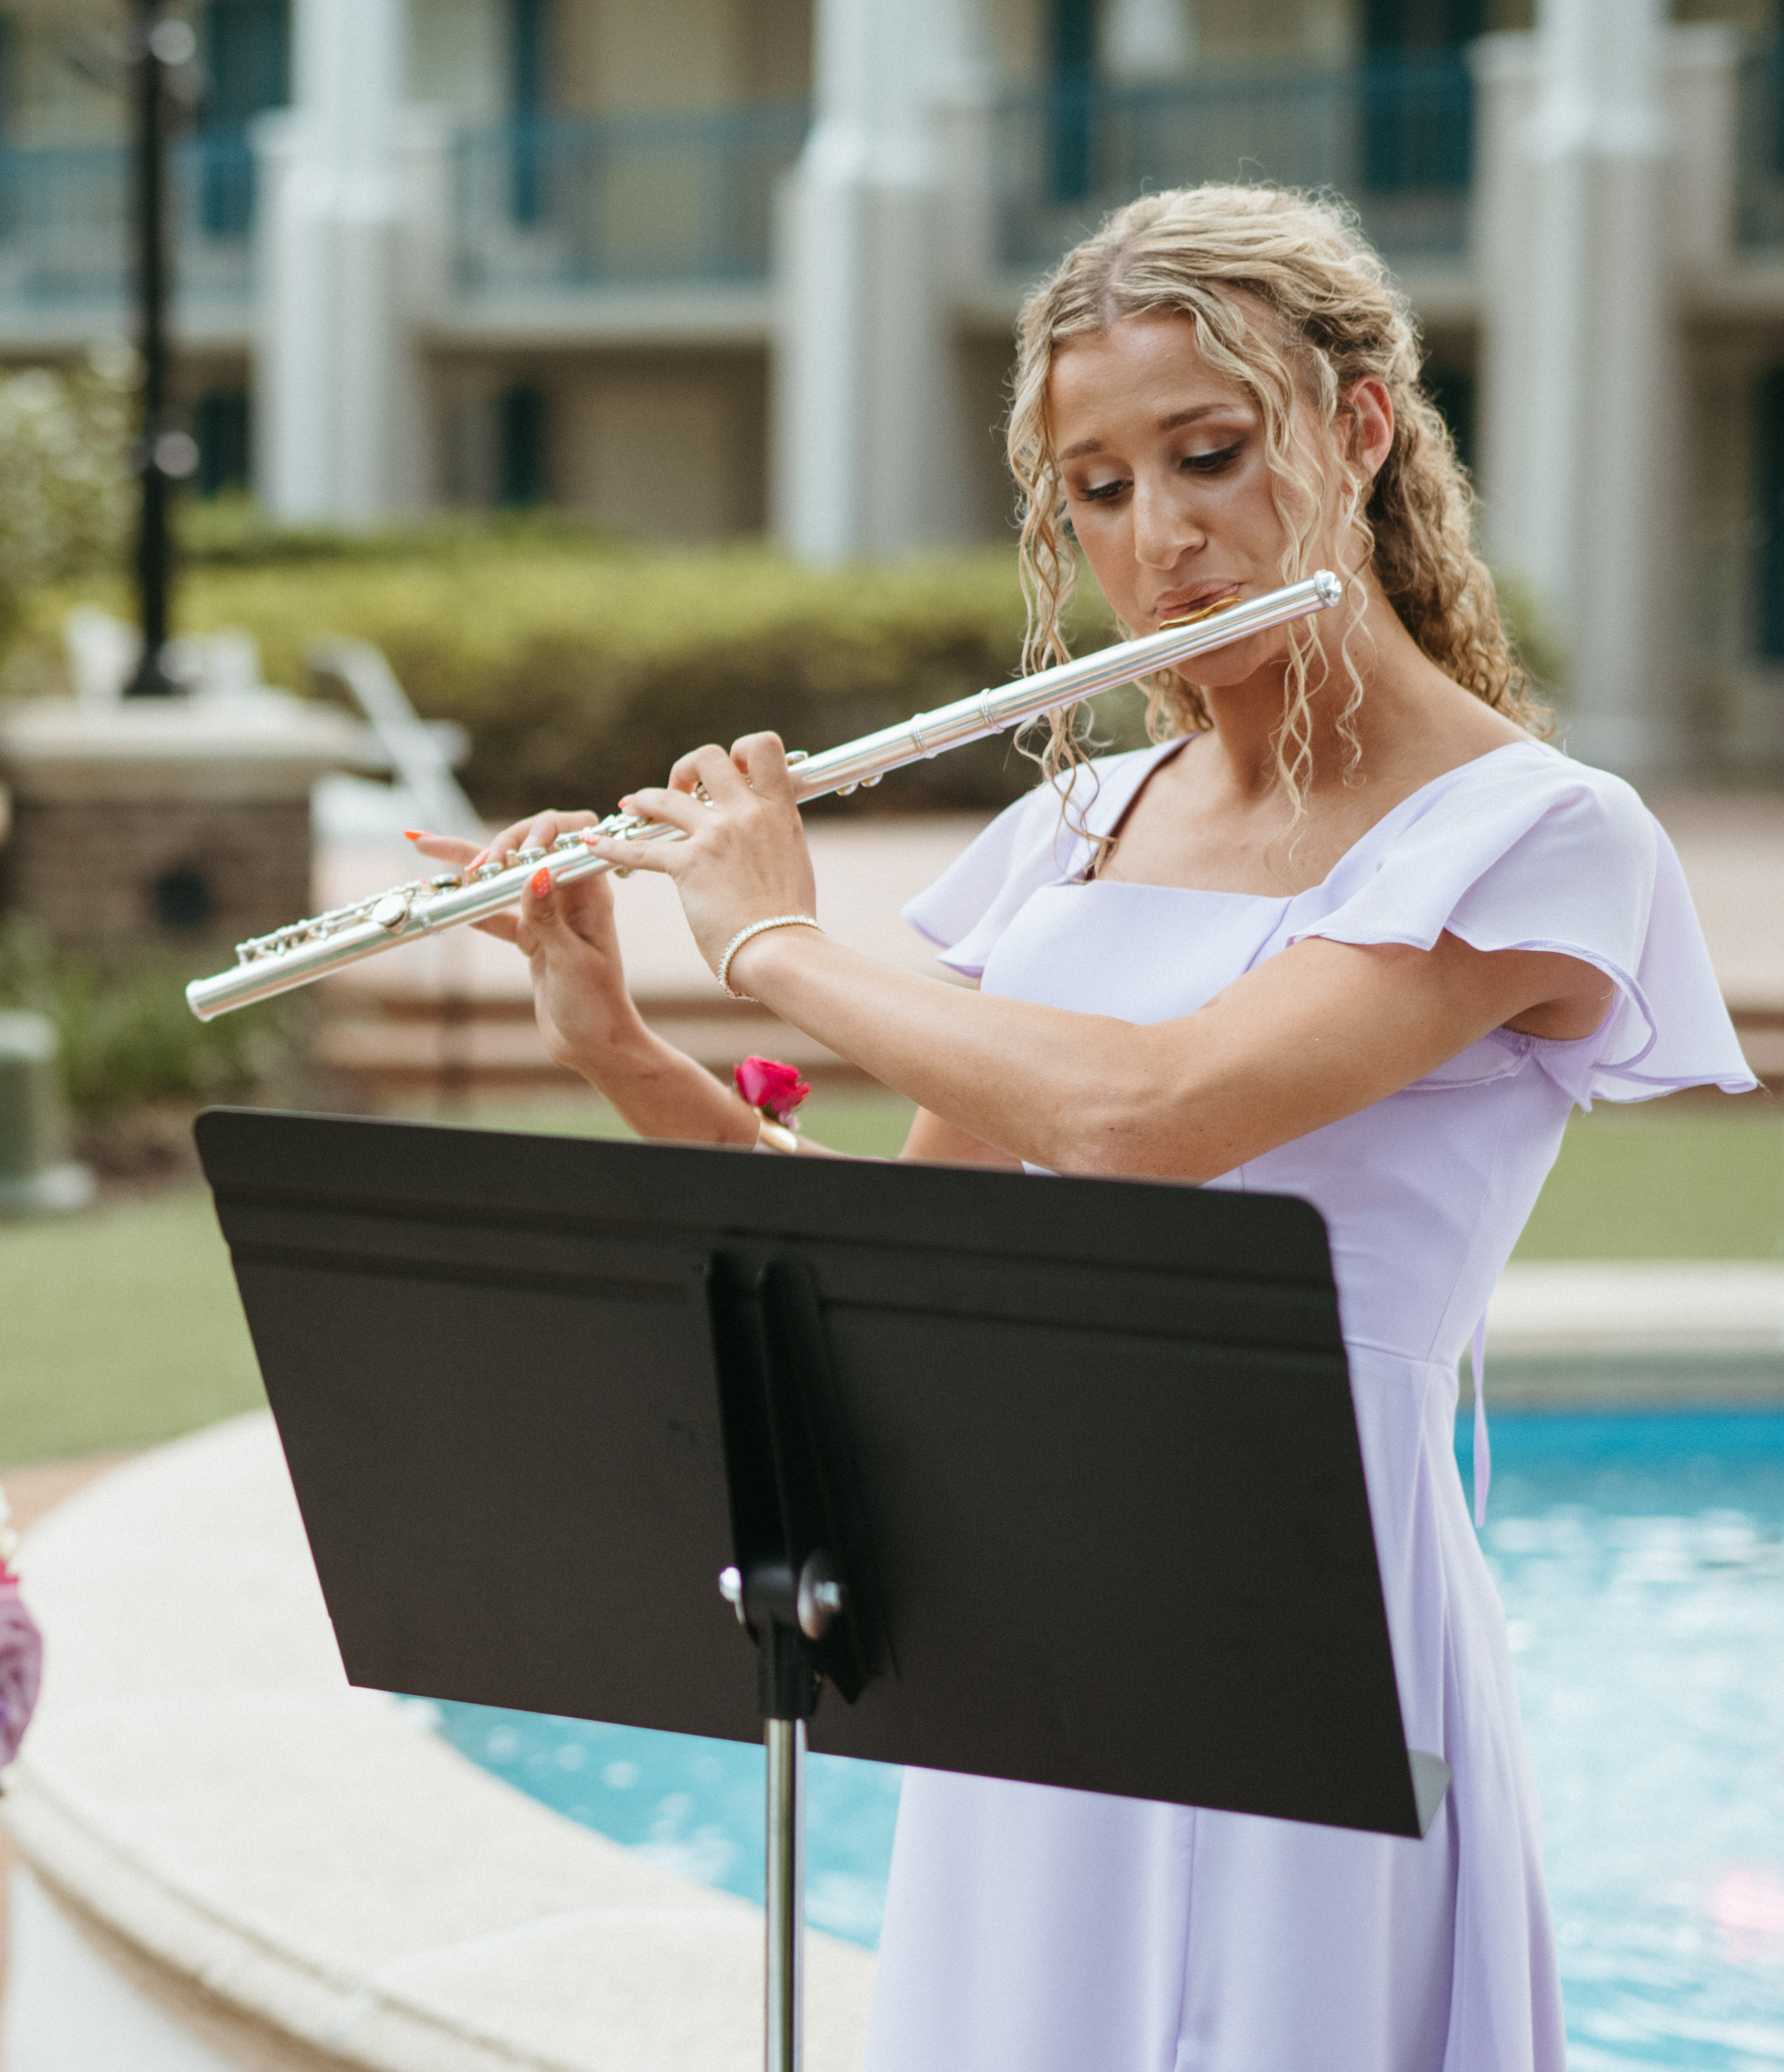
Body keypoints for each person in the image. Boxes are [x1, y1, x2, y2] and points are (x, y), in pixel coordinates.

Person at [425, 184, 1755, 2070]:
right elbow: (903, 1271)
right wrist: (619, 1039)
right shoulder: (1072, 823)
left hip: (1300, 1592)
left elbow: (1158, 1115)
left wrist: (778, 943)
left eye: (1209, 456)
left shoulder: (1539, 835)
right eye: (1101, 490)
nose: (1167, 537)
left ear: (1360, 427)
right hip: (1040, 1583)